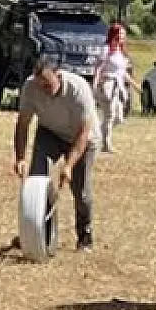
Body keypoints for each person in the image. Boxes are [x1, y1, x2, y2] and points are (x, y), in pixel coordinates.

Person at [12, 55, 99, 251]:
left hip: (82, 139)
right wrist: (20, 158)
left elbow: (84, 133)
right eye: (40, 85)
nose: (43, 90)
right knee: (36, 181)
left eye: (48, 85)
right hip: (49, 132)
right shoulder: (30, 87)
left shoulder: (78, 89)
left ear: (58, 76)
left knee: (81, 190)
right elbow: (23, 124)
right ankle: (34, 232)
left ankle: (85, 237)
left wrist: (68, 165)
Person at [92, 24, 134, 154]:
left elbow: (122, 73)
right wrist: (95, 84)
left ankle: (95, 133)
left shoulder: (120, 52)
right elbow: (98, 68)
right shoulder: (106, 50)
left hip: (118, 86)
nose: (123, 37)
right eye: (121, 34)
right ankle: (106, 145)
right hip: (107, 85)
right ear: (114, 34)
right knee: (109, 116)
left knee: (119, 118)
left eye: (123, 34)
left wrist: (135, 86)